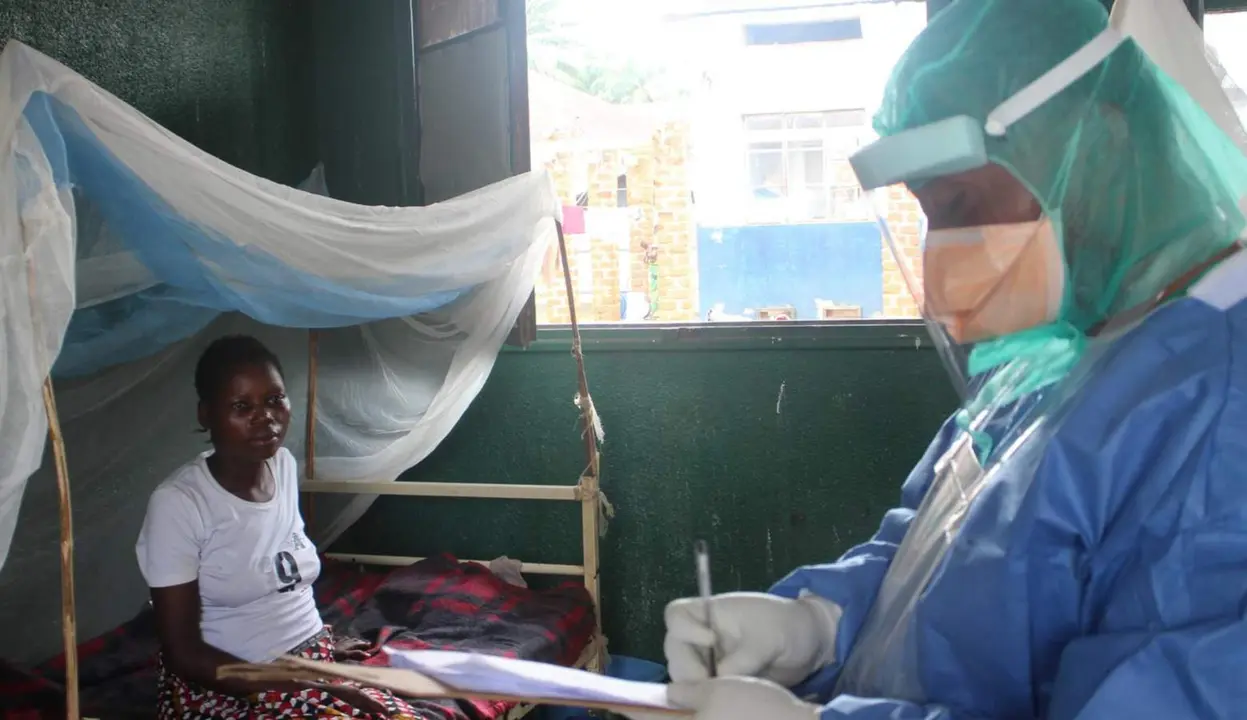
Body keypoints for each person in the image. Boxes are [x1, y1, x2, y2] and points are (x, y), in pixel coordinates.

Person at [633, 1, 1247, 718]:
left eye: (959, 205)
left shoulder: (1218, 401)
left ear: (1101, 146)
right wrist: (821, 625)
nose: (940, 256)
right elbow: (937, 557)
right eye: (925, 213)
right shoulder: (1051, 354)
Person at [136, 335, 419, 719]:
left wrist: (320, 647)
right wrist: (310, 686)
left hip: (309, 664)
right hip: (233, 685)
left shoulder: (283, 466)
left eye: (274, 400)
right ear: (206, 415)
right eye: (241, 406)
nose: (265, 417)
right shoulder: (180, 503)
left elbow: (280, 579)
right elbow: (184, 654)